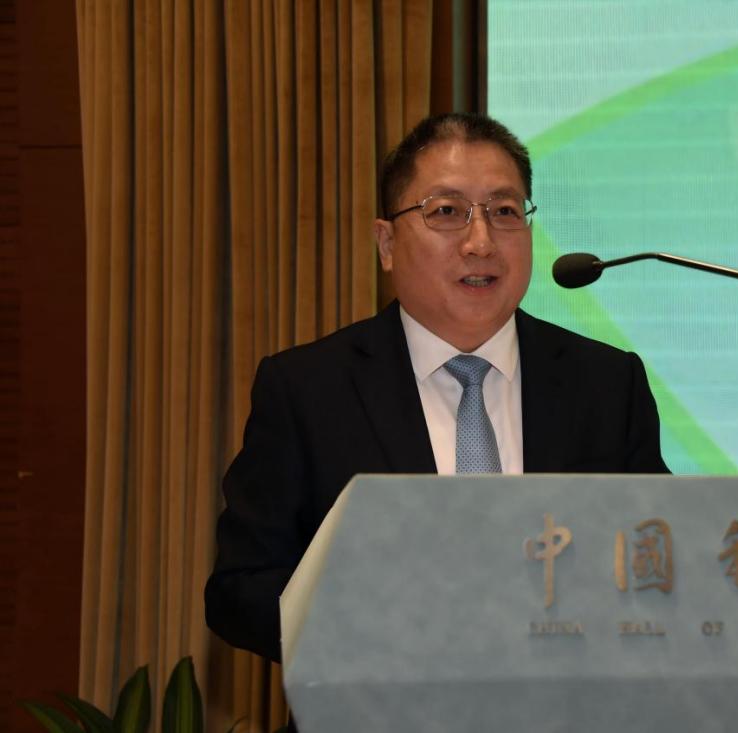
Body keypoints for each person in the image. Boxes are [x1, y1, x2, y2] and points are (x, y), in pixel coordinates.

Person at [205, 112, 669, 663]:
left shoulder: (607, 384)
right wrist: (374, 625)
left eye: (504, 211)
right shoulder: (307, 390)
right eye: (447, 212)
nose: (481, 241)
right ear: (387, 243)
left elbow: (661, 561)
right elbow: (241, 589)